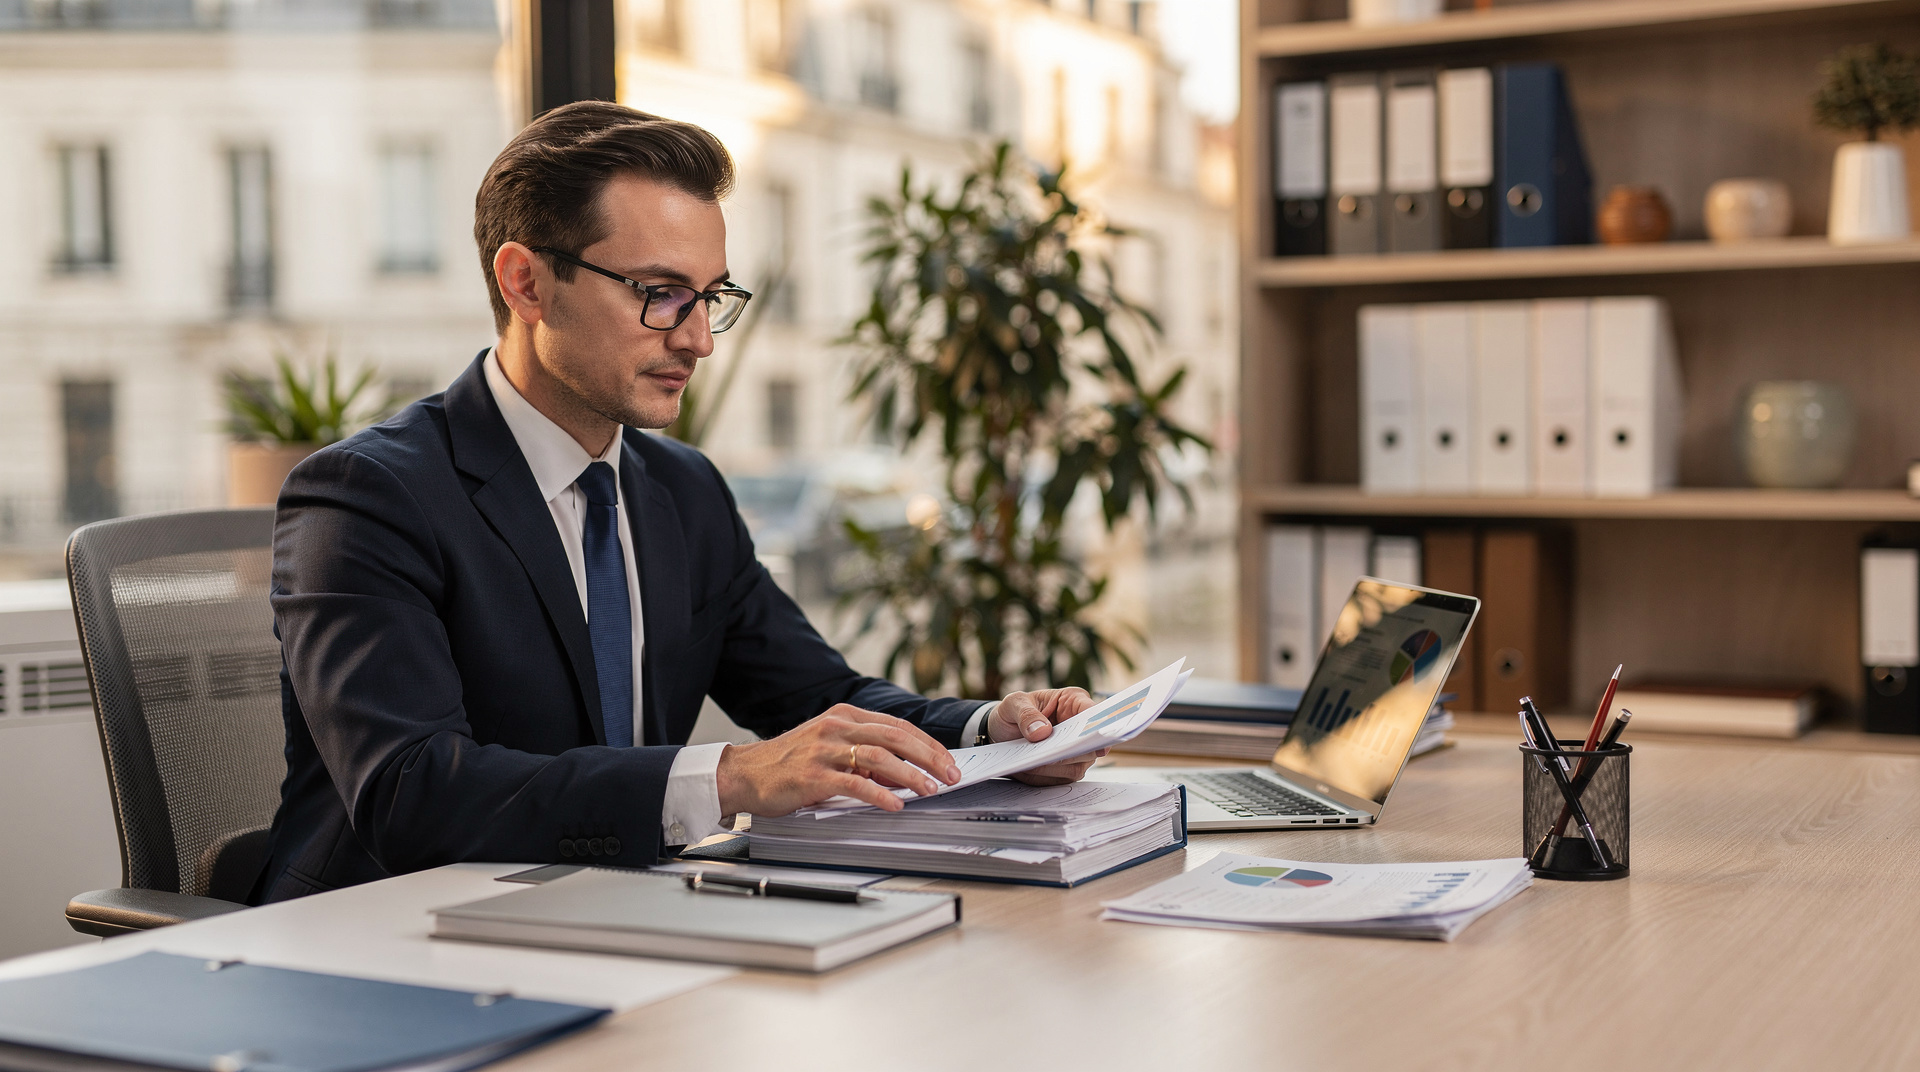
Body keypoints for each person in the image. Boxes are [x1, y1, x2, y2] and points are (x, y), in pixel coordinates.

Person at [252, 101, 1102, 903]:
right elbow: (413, 795)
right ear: (526, 283)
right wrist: (730, 778)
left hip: (610, 915)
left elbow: (816, 697)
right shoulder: (369, 495)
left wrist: (996, 731)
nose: (696, 339)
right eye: (660, 293)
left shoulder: (682, 490)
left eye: (711, 297)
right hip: (381, 943)